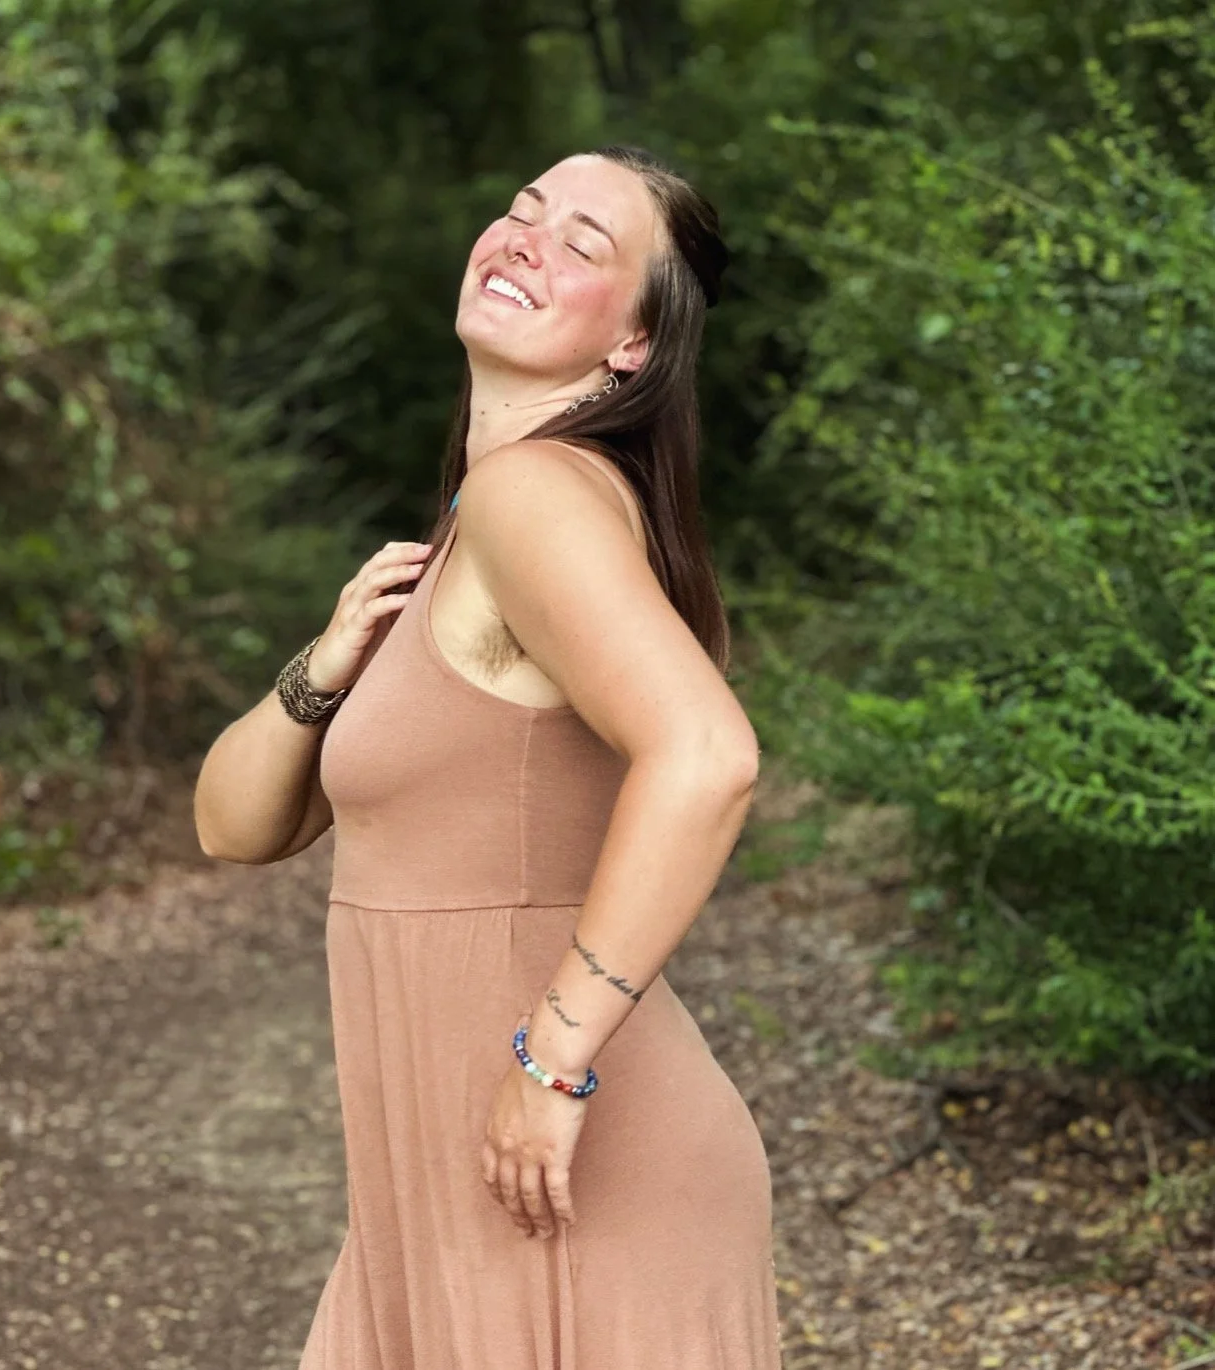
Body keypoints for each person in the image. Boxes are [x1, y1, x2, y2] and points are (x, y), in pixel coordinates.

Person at [193, 144, 783, 1369]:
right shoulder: (479, 524)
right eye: (522, 210)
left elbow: (706, 753)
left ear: (633, 344)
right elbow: (232, 826)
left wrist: (551, 1062)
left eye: (581, 242)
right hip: (438, 1198)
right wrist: (327, 662)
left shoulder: (535, 497)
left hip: (564, 1186)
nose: (524, 237)